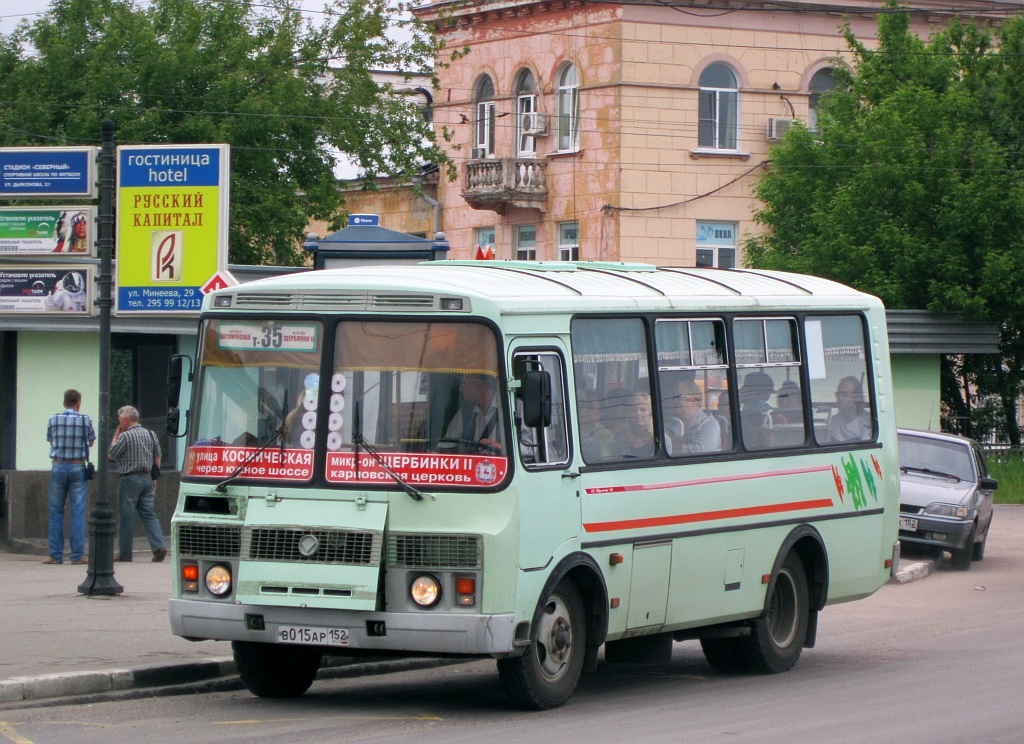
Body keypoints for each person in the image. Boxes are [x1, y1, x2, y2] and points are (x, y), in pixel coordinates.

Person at [44, 389, 96, 564]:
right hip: (77, 467)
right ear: (78, 403)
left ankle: (55, 555)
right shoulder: (85, 420)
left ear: (64, 402)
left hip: (58, 466)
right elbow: (91, 442)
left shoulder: (53, 419)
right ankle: (78, 555)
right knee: (78, 512)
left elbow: (51, 441)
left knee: (56, 511)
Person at [109, 405, 167, 562]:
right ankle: (159, 546)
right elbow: (158, 456)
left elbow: (111, 454)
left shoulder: (125, 436)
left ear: (125, 420)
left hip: (129, 479)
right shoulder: (150, 434)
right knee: (149, 513)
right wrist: (154, 476)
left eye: (120, 420)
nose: (119, 423)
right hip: (147, 478)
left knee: (126, 516)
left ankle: (125, 553)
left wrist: (116, 434)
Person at [445, 373, 504, 454]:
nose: (460, 389)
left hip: (503, 464)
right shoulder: (464, 413)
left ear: (480, 385)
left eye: (464, 383)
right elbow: (448, 443)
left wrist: (500, 447)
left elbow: (526, 446)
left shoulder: (513, 409)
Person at [665, 379, 721, 455]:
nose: (675, 402)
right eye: (673, 398)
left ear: (694, 400)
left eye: (678, 397)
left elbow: (702, 452)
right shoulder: (671, 423)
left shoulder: (709, 424)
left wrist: (676, 448)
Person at [603, 388, 655, 459]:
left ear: (650, 413)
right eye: (634, 410)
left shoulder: (661, 439)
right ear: (628, 413)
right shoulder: (621, 441)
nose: (638, 413)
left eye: (643, 410)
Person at [825, 376, 872, 443]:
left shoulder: (869, 421)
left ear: (858, 398)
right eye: (838, 395)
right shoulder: (833, 421)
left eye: (844, 395)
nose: (840, 398)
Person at [578, 390, 615, 462]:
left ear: (600, 412)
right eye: (582, 406)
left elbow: (602, 461)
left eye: (591, 407)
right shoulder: (571, 432)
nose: (584, 410)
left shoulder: (606, 436)